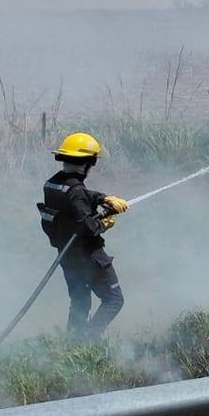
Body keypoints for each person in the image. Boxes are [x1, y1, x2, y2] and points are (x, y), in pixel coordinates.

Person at [38, 132, 130, 339]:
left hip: (67, 256)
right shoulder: (76, 191)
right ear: (88, 162)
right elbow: (88, 227)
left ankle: (72, 344)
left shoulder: (52, 184)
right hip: (89, 256)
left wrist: (104, 198)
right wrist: (105, 223)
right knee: (114, 300)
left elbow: (77, 195)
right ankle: (88, 341)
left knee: (80, 301)